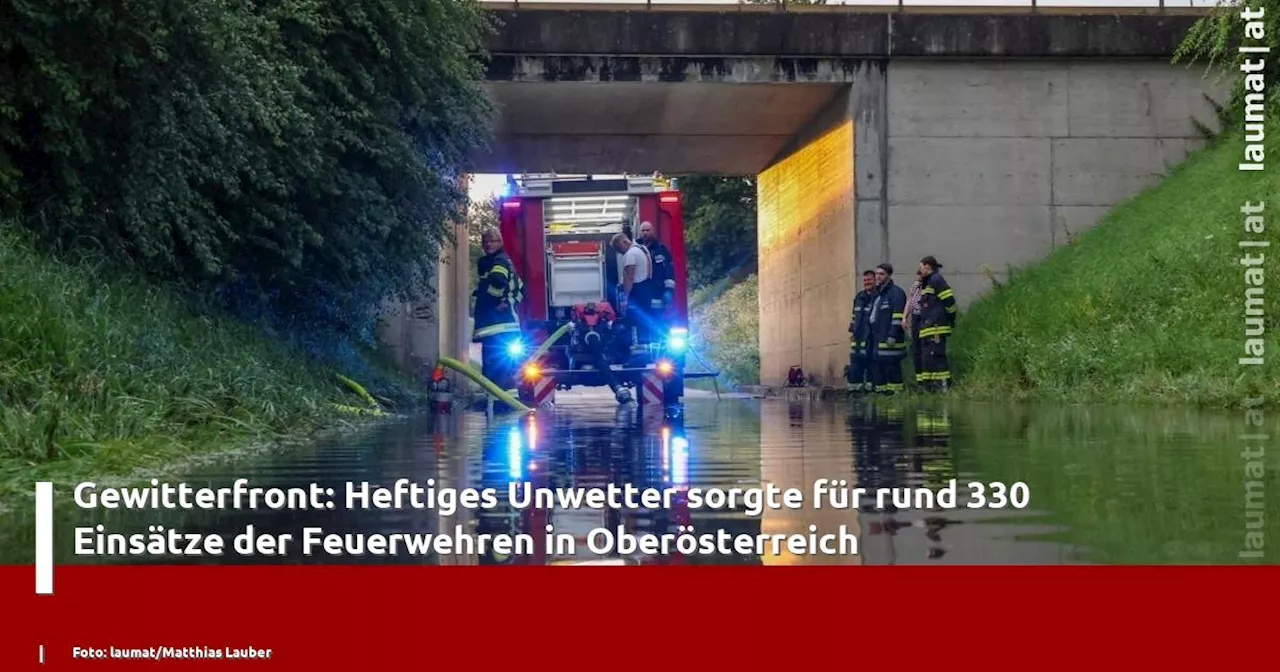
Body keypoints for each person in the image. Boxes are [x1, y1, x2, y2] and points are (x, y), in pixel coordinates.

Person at [473, 227, 524, 396]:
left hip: (495, 323)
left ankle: (496, 399)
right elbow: (521, 289)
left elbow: (498, 280)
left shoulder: (498, 261)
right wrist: (509, 301)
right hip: (507, 324)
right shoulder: (507, 260)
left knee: (494, 363)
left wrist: (492, 300)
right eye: (485, 241)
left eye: (492, 241)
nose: (488, 244)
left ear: (500, 242)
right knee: (506, 364)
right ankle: (507, 396)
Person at [916, 255, 958, 392]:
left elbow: (949, 301)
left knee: (937, 357)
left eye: (920, 267)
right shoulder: (928, 282)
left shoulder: (936, 280)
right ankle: (931, 387)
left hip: (936, 328)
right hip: (928, 328)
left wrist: (951, 319)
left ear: (927, 266)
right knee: (928, 359)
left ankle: (944, 386)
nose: (919, 270)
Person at [868, 263, 908, 395]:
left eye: (881, 274)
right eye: (877, 274)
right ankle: (883, 398)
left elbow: (897, 316)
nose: (878, 277)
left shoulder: (896, 293)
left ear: (889, 275)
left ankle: (895, 398)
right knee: (880, 371)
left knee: (892, 370)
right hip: (879, 340)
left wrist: (892, 335)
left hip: (891, 341)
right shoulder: (879, 294)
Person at [610, 233, 655, 342]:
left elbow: (630, 277)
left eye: (619, 249)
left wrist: (625, 296)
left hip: (637, 292)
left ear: (625, 242)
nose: (620, 252)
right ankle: (645, 343)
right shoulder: (642, 249)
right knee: (644, 322)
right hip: (647, 289)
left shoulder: (630, 254)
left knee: (630, 321)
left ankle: (631, 346)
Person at [637, 221, 675, 321]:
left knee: (658, 322)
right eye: (643, 230)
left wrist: (669, 291)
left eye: (648, 230)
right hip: (640, 294)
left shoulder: (661, 249)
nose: (645, 233)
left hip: (657, 292)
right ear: (639, 232)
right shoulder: (635, 249)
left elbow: (669, 271)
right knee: (642, 323)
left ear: (652, 231)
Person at [847, 270, 877, 392]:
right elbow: (855, 316)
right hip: (858, 338)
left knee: (871, 365)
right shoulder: (859, 297)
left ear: (875, 280)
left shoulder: (878, 297)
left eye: (869, 280)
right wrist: (852, 330)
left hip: (871, 338)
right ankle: (855, 392)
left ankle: (870, 392)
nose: (867, 282)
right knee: (855, 366)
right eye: (865, 280)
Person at [903, 268, 926, 389]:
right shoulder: (915, 286)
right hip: (915, 319)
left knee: (924, 350)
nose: (918, 277)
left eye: (919, 275)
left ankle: (927, 381)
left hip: (924, 319)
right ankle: (919, 381)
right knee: (916, 350)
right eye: (917, 274)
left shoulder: (928, 287)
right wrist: (904, 317)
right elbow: (910, 301)